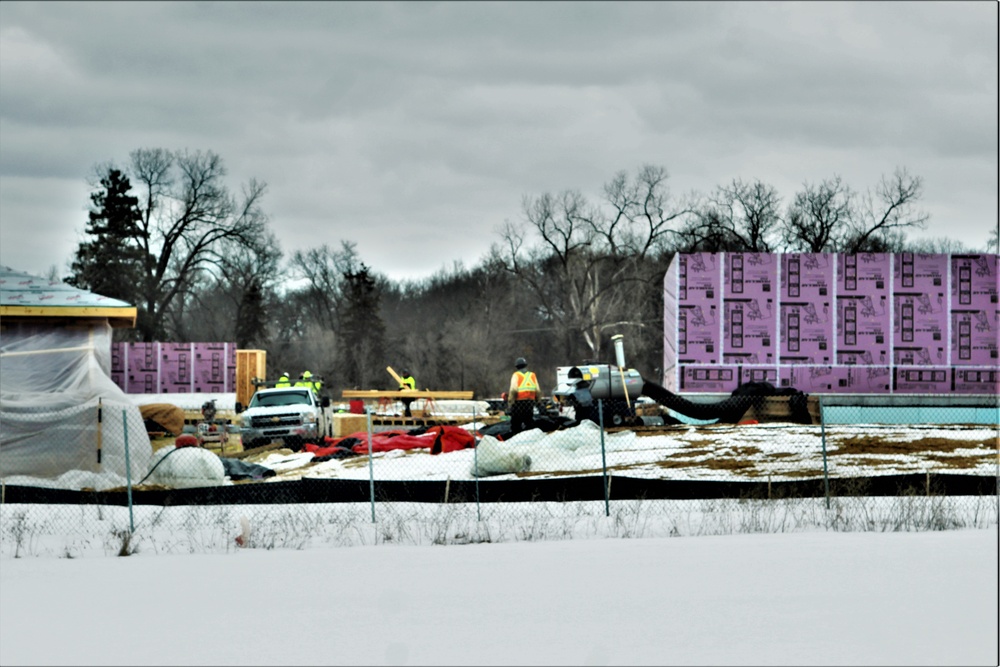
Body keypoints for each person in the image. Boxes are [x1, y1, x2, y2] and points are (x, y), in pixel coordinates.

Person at [507, 357, 539, 436]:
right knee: (529, 421)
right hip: (530, 402)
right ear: (525, 365)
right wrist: (538, 400)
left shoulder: (516, 375)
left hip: (519, 402)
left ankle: (516, 437)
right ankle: (530, 437)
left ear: (517, 366)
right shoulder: (532, 375)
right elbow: (537, 390)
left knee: (516, 422)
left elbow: (513, 390)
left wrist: (510, 402)